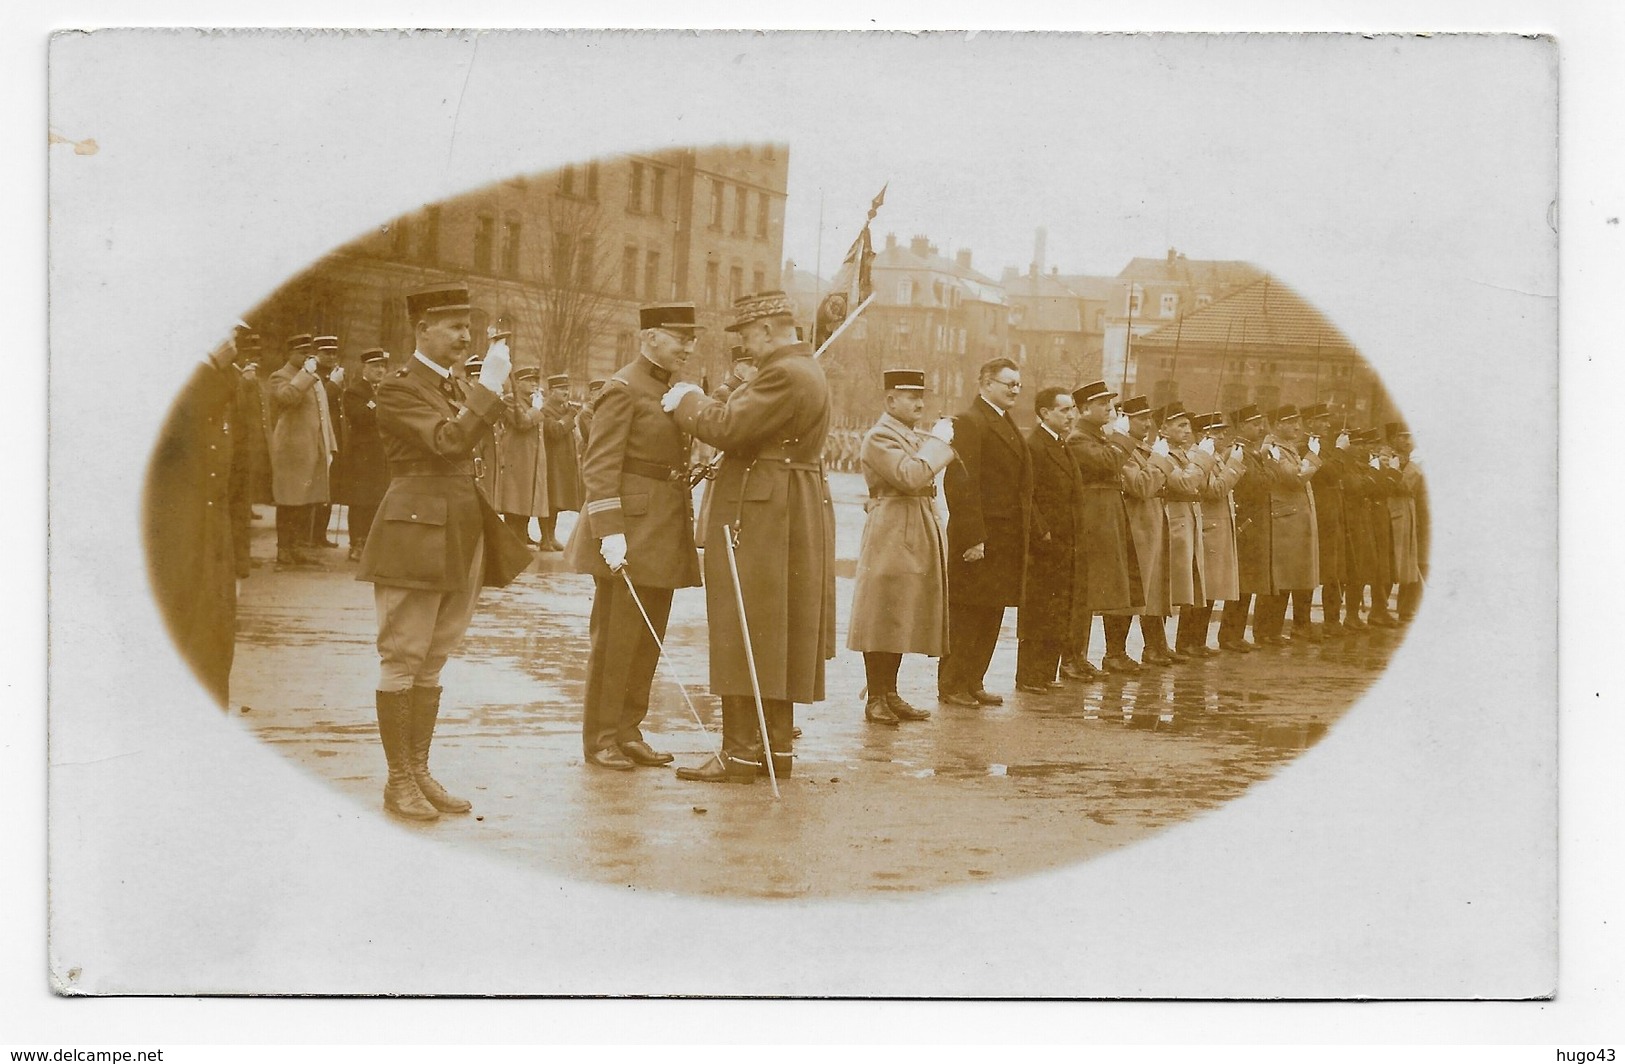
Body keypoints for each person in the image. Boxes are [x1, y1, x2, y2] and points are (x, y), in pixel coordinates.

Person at [355, 282, 534, 820]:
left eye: (468, 327)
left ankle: (420, 770)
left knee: (434, 658)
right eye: (454, 327)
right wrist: (491, 387)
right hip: (414, 533)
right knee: (403, 654)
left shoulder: (456, 386)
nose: (464, 337)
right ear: (422, 330)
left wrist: (485, 392)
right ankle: (399, 780)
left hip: (460, 530)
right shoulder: (398, 387)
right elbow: (450, 443)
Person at [664, 290, 837, 783]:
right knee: (773, 634)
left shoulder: (783, 373)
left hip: (760, 513)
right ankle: (773, 753)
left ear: (766, 330)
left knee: (742, 629)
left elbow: (728, 428)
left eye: (745, 336)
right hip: (784, 507)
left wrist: (687, 400)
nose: (744, 346)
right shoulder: (804, 370)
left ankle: (738, 755)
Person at [563, 302, 704, 770]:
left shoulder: (667, 389)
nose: (689, 345)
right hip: (628, 533)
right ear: (650, 338)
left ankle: (628, 730)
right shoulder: (622, 389)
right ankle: (600, 737)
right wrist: (609, 532)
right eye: (679, 337)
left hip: (661, 531)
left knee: (648, 637)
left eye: (692, 338)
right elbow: (600, 467)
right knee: (615, 641)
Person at [847, 369, 956, 724]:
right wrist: (939, 444)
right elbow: (910, 477)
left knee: (900, 612)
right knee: (882, 611)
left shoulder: (906, 435)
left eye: (921, 395)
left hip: (912, 522)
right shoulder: (880, 436)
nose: (919, 403)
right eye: (910, 396)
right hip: (892, 525)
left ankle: (889, 692)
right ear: (890, 400)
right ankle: (875, 696)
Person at [146, 333, 241, 706]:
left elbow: (238, 477)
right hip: (171, 536)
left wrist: (241, 562)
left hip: (215, 540)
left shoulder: (226, 380)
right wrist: (208, 369)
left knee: (215, 641)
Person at [938, 357, 1032, 706]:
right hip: (979, 537)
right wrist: (972, 536)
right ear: (986, 384)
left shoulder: (1003, 421)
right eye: (1009, 383)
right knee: (967, 611)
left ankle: (974, 679)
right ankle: (952, 684)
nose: (1016, 390)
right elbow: (961, 482)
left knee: (991, 611)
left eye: (1018, 384)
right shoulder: (970, 421)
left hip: (1004, 538)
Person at [1064, 381, 1141, 676]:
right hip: (1093, 521)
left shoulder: (1097, 436)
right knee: (1083, 592)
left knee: (1095, 590)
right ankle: (1072, 658)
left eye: (1109, 402)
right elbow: (1108, 463)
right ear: (1084, 409)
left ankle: (1081, 657)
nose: (1109, 408)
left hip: (1106, 518)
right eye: (1101, 404)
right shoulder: (1079, 439)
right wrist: (1121, 436)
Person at [1015, 386, 1086, 693]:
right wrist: (1041, 530)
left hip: (1064, 541)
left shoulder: (1060, 444)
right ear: (1044, 413)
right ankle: (1029, 675)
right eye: (1064, 410)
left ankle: (1045, 672)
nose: (1071, 415)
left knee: (1058, 609)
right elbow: (1026, 495)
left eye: (1072, 409)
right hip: (1044, 546)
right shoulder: (1035, 445)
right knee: (1039, 610)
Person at [1251, 405, 1323, 646]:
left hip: (1294, 520)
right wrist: (1312, 456)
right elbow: (1293, 477)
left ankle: (1273, 631)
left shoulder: (1286, 447)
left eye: (1297, 421)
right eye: (1291, 421)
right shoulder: (1272, 448)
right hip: (1283, 520)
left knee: (1290, 578)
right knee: (1278, 580)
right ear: (1277, 424)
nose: (1297, 426)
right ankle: (1265, 632)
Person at [266, 333, 337, 569]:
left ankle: (298, 548)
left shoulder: (312, 377)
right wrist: (305, 375)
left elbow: (322, 414)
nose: (306, 356)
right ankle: (284, 550)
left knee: (306, 502)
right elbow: (287, 399)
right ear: (289, 354)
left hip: (312, 449)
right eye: (300, 352)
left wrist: (330, 444)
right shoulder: (280, 376)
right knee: (289, 502)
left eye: (308, 352)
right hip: (291, 452)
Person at [1180, 411, 1247, 655]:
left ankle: (1198, 641)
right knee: (1201, 591)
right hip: (1208, 528)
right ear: (1202, 435)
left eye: (1222, 431)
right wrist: (1234, 466)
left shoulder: (1214, 457)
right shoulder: (1201, 457)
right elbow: (1214, 490)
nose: (1222, 436)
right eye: (1215, 432)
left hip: (1217, 528)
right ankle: (1189, 642)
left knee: (1210, 591)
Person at [1154, 403, 1209, 662]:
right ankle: (1155, 645)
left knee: (1180, 588)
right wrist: (1202, 460)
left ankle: (1165, 645)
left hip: (1185, 523)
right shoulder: (1163, 453)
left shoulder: (1182, 453)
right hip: (1173, 525)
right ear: (1163, 429)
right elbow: (1186, 483)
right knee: (1164, 588)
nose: (1188, 430)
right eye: (1181, 425)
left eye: (1188, 425)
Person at [339, 348, 392, 561]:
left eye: (382, 366)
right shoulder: (355, 391)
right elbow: (359, 416)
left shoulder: (387, 391)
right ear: (365, 368)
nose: (380, 370)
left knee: (379, 498)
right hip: (361, 454)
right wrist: (376, 401)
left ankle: (373, 543)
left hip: (382, 453)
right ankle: (357, 543)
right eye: (375, 366)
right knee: (360, 500)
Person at [228, 330, 273, 578]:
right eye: (250, 354)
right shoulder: (238, 379)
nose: (255, 360)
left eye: (257, 355)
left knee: (243, 509)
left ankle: (242, 558)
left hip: (248, 452)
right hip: (236, 453)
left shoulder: (251, 379)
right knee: (237, 510)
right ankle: (239, 560)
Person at [1304, 403, 1351, 636]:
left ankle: (1333, 620)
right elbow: (1329, 473)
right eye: (1322, 420)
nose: (1327, 424)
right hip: (1318, 515)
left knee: (1334, 571)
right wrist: (1341, 450)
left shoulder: (1325, 446)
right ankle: (1305, 623)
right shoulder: (1308, 446)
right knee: (1315, 571)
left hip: (1333, 516)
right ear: (1310, 422)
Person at [495, 363, 550, 548]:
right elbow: (523, 423)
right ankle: (511, 548)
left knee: (525, 508)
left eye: (536, 380)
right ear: (518, 383)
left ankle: (518, 543)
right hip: (516, 462)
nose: (534, 383)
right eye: (529, 380)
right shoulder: (510, 400)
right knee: (514, 507)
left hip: (530, 463)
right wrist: (537, 409)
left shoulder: (532, 402)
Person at [308, 335, 347, 548]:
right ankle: (310, 535)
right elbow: (321, 401)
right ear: (317, 354)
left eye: (334, 353)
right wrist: (333, 385)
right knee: (316, 487)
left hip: (333, 438)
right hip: (317, 438)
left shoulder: (333, 375)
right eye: (326, 353)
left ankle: (320, 534)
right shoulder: (314, 376)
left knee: (329, 488)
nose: (331, 357)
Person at [539, 374, 582, 551]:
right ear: (551, 392)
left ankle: (551, 536)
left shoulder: (563, 410)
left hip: (561, 463)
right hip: (551, 462)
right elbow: (555, 431)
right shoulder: (545, 411)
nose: (566, 392)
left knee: (556, 501)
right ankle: (545, 538)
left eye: (566, 388)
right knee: (549, 500)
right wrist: (570, 416)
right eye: (561, 389)